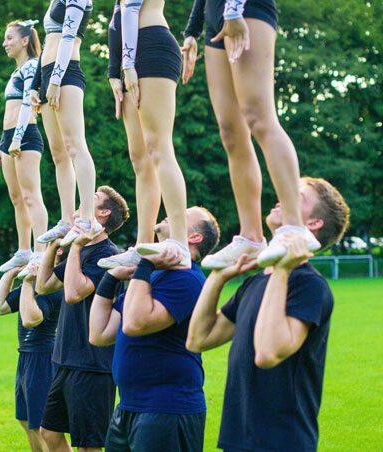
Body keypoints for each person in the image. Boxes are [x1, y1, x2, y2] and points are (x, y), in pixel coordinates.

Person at [186, 177, 350, 451]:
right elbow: (198, 340)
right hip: (238, 439)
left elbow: (267, 353)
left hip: (282, 441)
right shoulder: (257, 281)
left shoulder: (309, 285)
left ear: (313, 223)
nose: (281, 196)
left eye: (297, 196)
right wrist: (218, 277)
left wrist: (283, 270)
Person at [182, 0, 320, 269]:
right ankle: (251, 237)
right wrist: (192, 31)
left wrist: (233, 10)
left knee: (259, 117)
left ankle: (293, 225)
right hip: (215, 17)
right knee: (230, 133)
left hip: (246, 8)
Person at [90, 206, 220, 451]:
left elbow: (134, 323)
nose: (173, 210)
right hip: (128, 407)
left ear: (194, 237)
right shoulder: (153, 276)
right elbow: (99, 333)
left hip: (167, 409)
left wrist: (145, 265)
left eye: (184, 213)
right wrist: (112, 278)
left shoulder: (188, 279)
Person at [35, 186, 129, 451]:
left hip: (92, 365)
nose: (80, 205)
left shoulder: (107, 254)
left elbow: (74, 292)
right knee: (49, 433)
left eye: (92, 200)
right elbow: (43, 286)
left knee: (88, 445)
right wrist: (56, 243)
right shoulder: (83, 250)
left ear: (103, 213)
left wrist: (75, 245)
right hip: (65, 358)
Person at [101, 0, 191, 269]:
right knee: (140, 159)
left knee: (158, 148)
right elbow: (117, 18)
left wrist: (127, 64)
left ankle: (180, 241)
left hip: (151, 46)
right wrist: (114, 70)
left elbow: (132, 8)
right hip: (131, 54)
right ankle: (142, 244)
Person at [30, 0, 101, 247]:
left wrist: (56, 80)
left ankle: (87, 217)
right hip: (49, 74)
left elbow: (68, 37)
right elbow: (48, 44)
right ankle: (66, 220)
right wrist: (35, 85)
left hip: (66, 72)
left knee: (75, 146)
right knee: (59, 154)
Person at [0, 260, 63, 452]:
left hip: (42, 357)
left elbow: (31, 320)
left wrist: (27, 282)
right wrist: (12, 273)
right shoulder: (33, 285)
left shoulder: (52, 289)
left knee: (42, 425)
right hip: (25, 355)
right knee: (25, 419)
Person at [0, 20, 48, 277]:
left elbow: (28, 104)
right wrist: (1, 146)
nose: (5, 43)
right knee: (17, 199)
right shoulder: (15, 72)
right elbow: (9, 111)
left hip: (25, 135)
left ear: (25, 40)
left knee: (30, 195)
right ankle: (23, 250)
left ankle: (40, 250)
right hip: (8, 139)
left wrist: (16, 139)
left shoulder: (30, 66)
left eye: (9, 38)